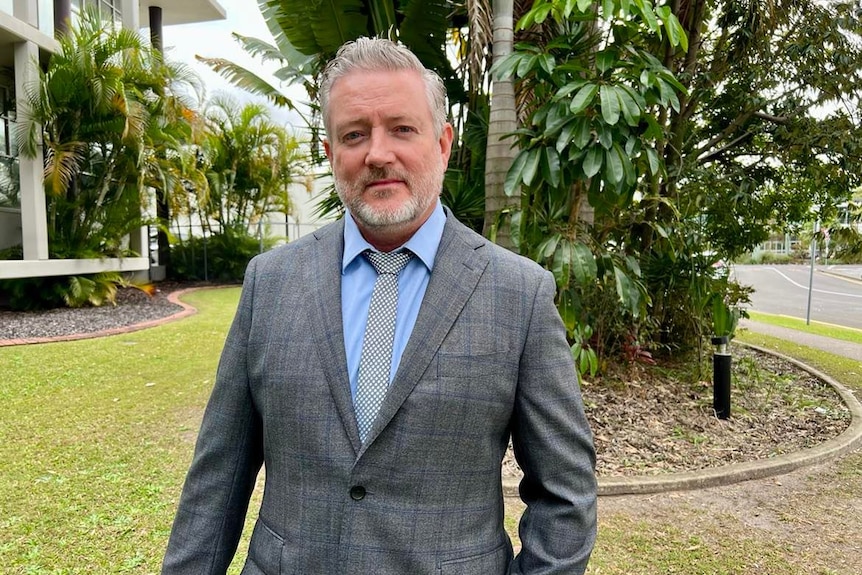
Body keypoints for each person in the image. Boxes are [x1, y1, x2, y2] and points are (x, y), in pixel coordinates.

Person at [162, 37, 597, 575]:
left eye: (402, 129)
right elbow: (218, 476)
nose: (378, 153)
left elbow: (565, 494)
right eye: (354, 135)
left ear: (442, 143)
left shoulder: (519, 295)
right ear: (330, 152)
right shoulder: (270, 282)